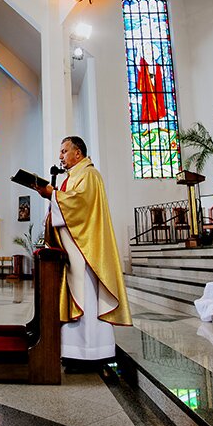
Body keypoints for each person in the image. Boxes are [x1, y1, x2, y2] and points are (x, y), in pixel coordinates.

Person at [36, 136, 132, 370]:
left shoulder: (89, 174)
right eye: (60, 152)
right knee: (78, 293)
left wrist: (52, 195)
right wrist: (52, 195)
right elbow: (68, 205)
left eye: (64, 151)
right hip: (76, 251)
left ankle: (92, 352)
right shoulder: (74, 176)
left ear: (77, 153)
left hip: (86, 252)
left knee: (87, 295)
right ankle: (75, 350)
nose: (60, 156)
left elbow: (79, 205)